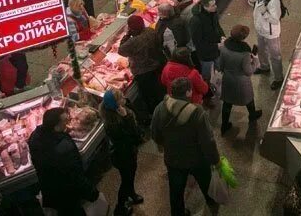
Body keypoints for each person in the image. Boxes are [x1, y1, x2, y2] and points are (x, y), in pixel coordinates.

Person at [150, 78, 221, 216]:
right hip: (197, 159)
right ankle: (211, 202)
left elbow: (154, 133)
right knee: (205, 182)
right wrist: (215, 160)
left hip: (173, 159)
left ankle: (178, 213)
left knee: (176, 191)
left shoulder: (160, 107)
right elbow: (208, 141)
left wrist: (165, 145)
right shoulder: (197, 112)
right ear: (188, 92)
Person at [28, 107, 99, 216]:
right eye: (66, 121)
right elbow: (75, 175)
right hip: (67, 192)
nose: (68, 123)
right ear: (56, 126)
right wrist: (91, 192)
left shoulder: (34, 137)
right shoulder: (63, 148)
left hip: (50, 190)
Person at [100, 88, 145, 216]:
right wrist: (127, 117)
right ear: (115, 104)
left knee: (130, 176)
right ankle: (120, 208)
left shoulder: (115, 113)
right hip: (123, 156)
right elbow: (134, 134)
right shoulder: (114, 123)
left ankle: (132, 194)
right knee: (126, 180)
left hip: (127, 152)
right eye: (121, 98)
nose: (124, 98)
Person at [117, 14, 165, 121]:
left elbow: (120, 50)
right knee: (159, 90)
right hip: (157, 66)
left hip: (143, 72)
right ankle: (163, 109)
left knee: (149, 96)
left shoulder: (134, 42)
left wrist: (127, 35)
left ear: (132, 29)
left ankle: (155, 116)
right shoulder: (150, 31)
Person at [217, 24, 262, 134]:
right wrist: (255, 60)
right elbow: (248, 71)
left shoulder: (224, 47)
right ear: (243, 38)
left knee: (227, 103)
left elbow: (220, 65)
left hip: (227, 79)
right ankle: (252, 115)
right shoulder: (245, 53)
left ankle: (224, 125)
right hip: (241, 82)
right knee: (249, 99)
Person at [249, 0, 284, 90]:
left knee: (275, 56)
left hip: (271, 33)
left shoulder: (274, 1)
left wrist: (264, 12)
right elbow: (251, 3)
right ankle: (264, 67)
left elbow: (275, 20)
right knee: (261, 50)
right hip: (260, 29)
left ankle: (279, 78)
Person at [189, 0, 223, 87]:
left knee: (218, 68)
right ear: (205, 7)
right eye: (212, 6)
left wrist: (222, 36)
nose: (215, 7)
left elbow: (217, 26)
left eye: (215, 4)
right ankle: (207, 89)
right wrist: (216, 46)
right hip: (205, 54)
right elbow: (198, 42)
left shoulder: (213, 13)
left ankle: (218, 83)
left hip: (217, 49)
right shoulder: (196, 21)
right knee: (207, 74)